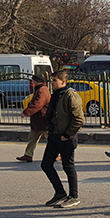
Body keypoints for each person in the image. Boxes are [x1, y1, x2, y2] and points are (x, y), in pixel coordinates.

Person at [41, 70, 85, 208]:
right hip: (54, 136)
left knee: (68, 166)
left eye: (54, 80)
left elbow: (79, 119)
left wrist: (66, 135)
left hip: (66, 137)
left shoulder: (70, 95)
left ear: (63, 82)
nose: (52, 83)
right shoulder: (56, 95)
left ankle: (74, 196)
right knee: (46, 164)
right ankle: (60, 192)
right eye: (51, 80)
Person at [17, 75, 51, 162]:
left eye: (33, 81)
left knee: (50, 139)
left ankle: (58, 154)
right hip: (38, 120)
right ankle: (28, 155)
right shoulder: (40, 89)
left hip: (43, 119)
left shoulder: (42, 90)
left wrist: (26, 112)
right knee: (32, 138)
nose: (32, 83)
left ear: (37, 81)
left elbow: (38, 104)